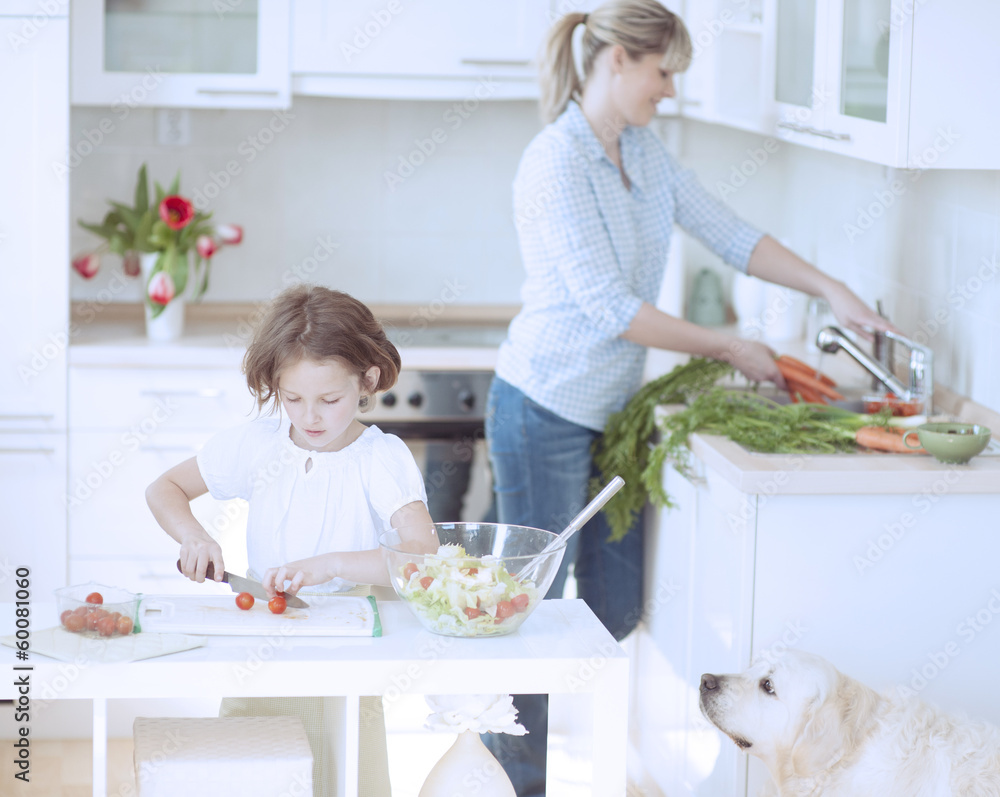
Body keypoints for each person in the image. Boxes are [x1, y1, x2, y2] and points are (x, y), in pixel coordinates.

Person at [484, 1, 895, 794]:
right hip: (541, 411)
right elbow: (610, 307)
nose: (669, 90)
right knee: (527, 619)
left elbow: (732, 231)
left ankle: (591, 769)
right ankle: (513, 782)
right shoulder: (555, 160)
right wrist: (731, 346)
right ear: (618, 63)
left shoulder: (641, 150)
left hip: (613, 414)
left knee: (612, 605)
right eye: (663, 70)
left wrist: (831, 289)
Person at [146, 283, 436, 797]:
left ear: (366, 381)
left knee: (345, 770)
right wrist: (195, 537)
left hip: (347, 639)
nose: (310, 417)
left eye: (330, 399)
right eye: (293, 399)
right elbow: (164, 489)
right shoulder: (256, 443)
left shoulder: (379, 458)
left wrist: (333, 564)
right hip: (263, 630)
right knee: (253, 767)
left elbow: (421, 553)